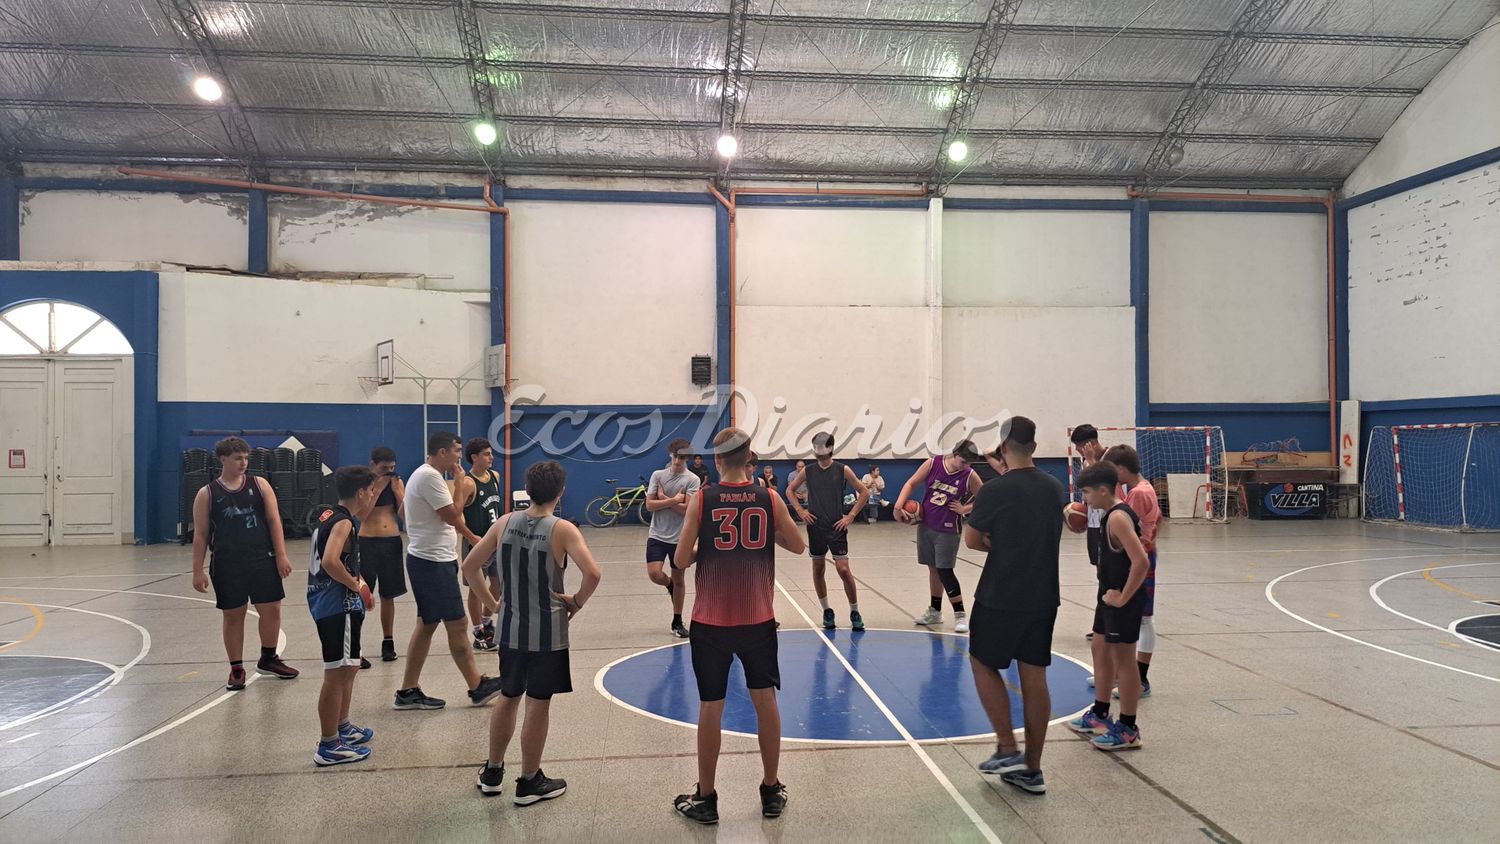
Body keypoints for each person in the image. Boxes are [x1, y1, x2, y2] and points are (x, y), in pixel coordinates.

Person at [672, 427, 806, 825]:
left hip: (710, 621)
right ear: (750, 457)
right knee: (765, 702)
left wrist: (705, 543)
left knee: (711, 706)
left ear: (717, 460)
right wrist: (767, 535)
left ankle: (707, 798)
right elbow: (798, 545)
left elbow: (680, 561)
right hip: (757, 619)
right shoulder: (769, 497)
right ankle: (770, 790)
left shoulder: (702, 499)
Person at [465, 461, 603, 805]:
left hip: (510, 629)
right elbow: (593, 574)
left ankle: (493, 772)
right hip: (548, 633)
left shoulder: (504, 522)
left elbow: (469, 566)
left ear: (528, 490)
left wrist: (493, 605)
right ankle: (529, 781)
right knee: (538, 704)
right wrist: (577, 603)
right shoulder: (563, 529)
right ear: (561, 491)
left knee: (508, 696)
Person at [962, 417, 1065, 795]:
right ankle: (1032, 769)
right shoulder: (1054, 488)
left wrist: (998, 542)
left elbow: (972, 540)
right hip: (1043, 596)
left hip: (1001, 594)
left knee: (982, 661)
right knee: (1034, 676)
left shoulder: (995, 489)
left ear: (1003, 448)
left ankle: (1007, 747)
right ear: (1033, 448)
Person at [394, 431, 504, 711]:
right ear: (442, 452)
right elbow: (454, 515)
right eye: (456, 450)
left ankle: (408, 690)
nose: (459, 456)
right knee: (457, 624)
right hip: (432, 563)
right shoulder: (431, 477)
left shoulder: (422, 475)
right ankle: (477, 685)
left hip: (429, 559)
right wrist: (457, 485)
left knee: (427, 624)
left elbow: (410, 514)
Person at [191, 437, 299, 691]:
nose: (243, 463)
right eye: (238, 458)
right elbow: (201, 535)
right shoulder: (206, 494)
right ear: (223, 460)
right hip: (228, 563)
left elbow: (274, 521)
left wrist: (281, 555)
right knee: (234, 615)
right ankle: (236, 668)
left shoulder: (260, 485)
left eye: (246, 458)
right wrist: (198, 570)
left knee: (272, 609)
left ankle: (269, 658)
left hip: (262, 558)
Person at [1066, 461, 1149, 752]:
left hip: (1122, 598)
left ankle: (1128, 728)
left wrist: (1124, 597)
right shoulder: (1110, 515)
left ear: (1104, 489)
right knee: (1099, 648)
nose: (1084, 499)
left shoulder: (1117, 518)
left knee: (1124, 662)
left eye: (1087, 493)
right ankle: (1100, 714)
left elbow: (1141, 562)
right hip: (1108, 595)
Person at [308, 466, 378, 766]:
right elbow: (329, 561)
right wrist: (358, 586)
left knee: (349, 667)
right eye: (371, 489)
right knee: (336, 673)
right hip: (338, 606)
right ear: (361, 492)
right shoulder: (344, 523)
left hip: (333, 604)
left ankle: (343, 726)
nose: (373, 494)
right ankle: (328, 744)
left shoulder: (328, 516)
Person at [896, 441, 983, 634]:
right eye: (962, 461)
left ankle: (960, 614)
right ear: (954, 453)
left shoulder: (969, 475)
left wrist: (965, 509)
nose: (964, 465)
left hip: (949, 529)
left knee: (945, 571)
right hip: (926, 525)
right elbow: (911, 482)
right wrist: (898, 505)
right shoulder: (932, 464)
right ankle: (935, 611)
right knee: (933, 569)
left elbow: (985, 497)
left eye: (968, 463)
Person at [784, 433, 869, 631]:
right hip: (816, 527)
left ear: (830, 447)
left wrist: (851, 516)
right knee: (818, 568)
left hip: (836, 526)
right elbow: (790, 490)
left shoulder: (842, 469)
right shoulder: (808, 471)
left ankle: (854, 610)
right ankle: (826, 611)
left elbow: (864, 492)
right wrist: (800, 511)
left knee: (843, 569)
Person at [1102, 445, 1160, 698]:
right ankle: (1120, 675)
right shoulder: (1144, 488)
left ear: (1122, 469)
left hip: (1140, 557)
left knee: (1143, 618)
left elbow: (1125, 522)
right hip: (1145, 552)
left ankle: (1140, 679)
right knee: (1135, 618)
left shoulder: (1138, 494)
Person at [645, 438, 702, 639]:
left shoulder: (693, 480)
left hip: (680, 537)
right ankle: (668, 585)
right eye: (676, 456)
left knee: (680, 578)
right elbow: (649, 506)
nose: (678, 461)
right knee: (654, 574)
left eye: (682, 458)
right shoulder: (658, 475)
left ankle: (677, 621)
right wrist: (674, 500)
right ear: (670, 455)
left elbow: (687, 511)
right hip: (657, 534)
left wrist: (663, 499)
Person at [456, 437, 504, 653]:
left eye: (491, 453)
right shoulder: (468, 482)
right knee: (477, 588)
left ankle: (487, 623)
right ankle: (478, 632)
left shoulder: (495, 476)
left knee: (497, 584)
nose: (491, 457)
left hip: (496, 541)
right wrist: (469, 536)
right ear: (474, 457)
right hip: (477, 543)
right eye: (486, 454)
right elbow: (456, 514)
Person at [362, 447, 406, 665]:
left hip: (391, 541)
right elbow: (362, 515)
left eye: (392, 468)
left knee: (388, 595)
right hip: (368, 541)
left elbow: (405, 515)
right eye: (383, 468)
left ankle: (388, 641)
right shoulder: (364, 484)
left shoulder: (397, 482)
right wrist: (376, 490)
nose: (388, 472)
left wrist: (398, 492)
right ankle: (354, 644)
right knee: (361, 593)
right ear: (373, 465)